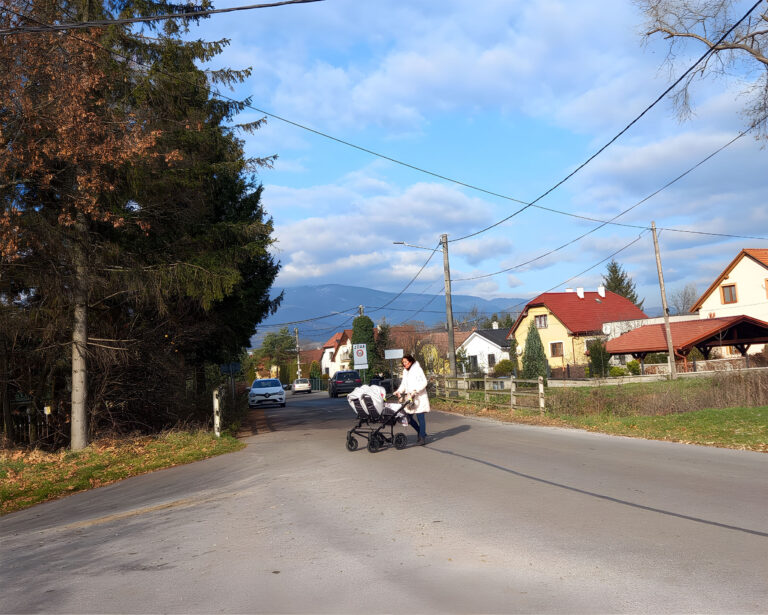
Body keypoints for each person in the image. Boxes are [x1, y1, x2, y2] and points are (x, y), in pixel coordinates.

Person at [395, 354, 430, 445]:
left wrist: (416, 390)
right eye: (403, 362)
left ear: (410, 361)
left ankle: (422, 438)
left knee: (420, 417)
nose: (404, 364)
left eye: (405, 362)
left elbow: (424, 382)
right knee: (408, 418)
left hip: (419, 397)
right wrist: (399, 391)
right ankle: (421, 432)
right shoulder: (405, 371)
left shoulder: (417, 369)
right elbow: (403, 384)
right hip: (410, 398)